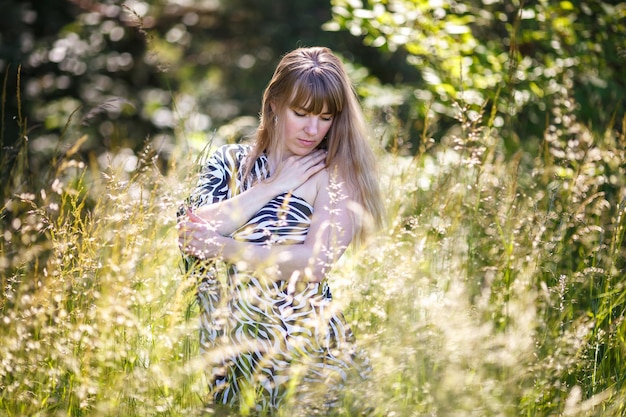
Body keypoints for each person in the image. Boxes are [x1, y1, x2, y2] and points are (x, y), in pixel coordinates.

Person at [177, 46, 384, 414]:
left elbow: (313, 265)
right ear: (274, 103)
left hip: (308, 360)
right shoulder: (228, 162)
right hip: (229, 359)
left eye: (325, 117)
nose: (312, 129)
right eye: (301, 113)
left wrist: (223, 248)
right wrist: (271, 187)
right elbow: (192, 232)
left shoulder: (334, 176)